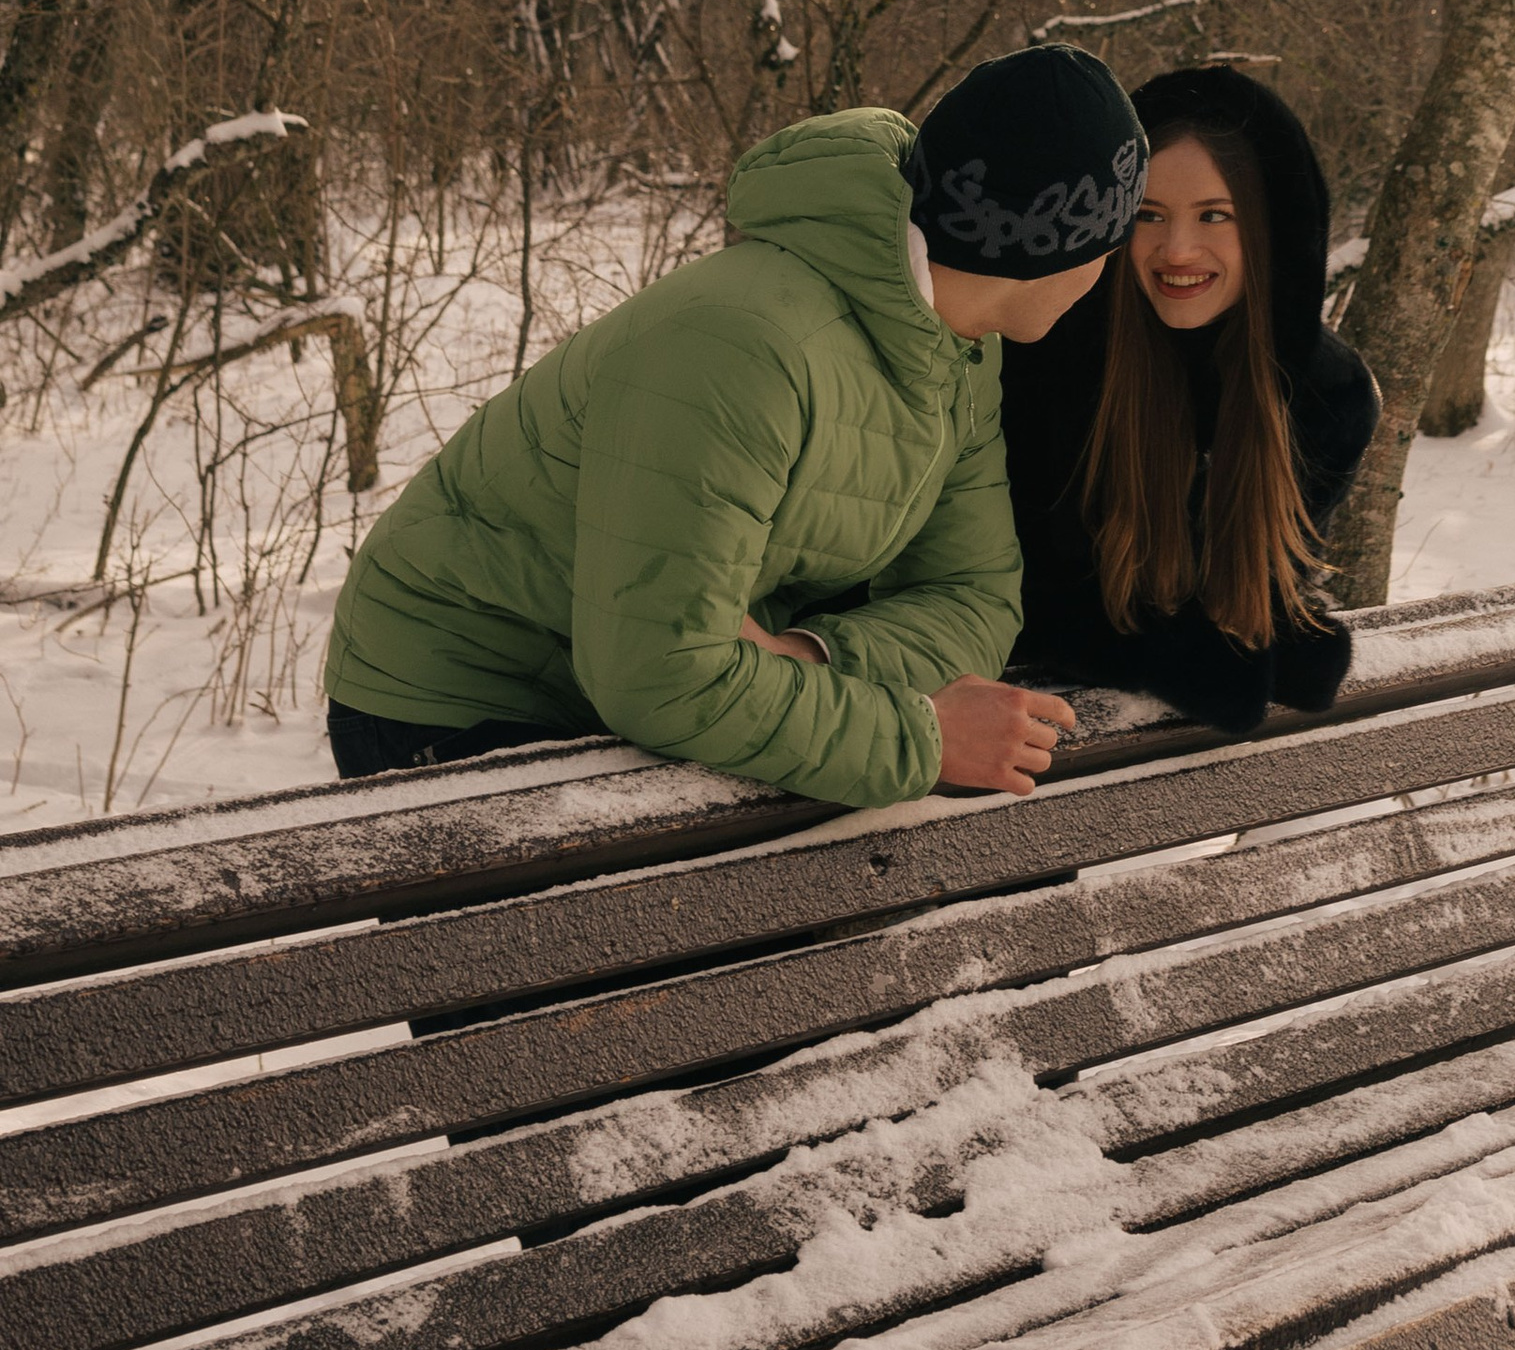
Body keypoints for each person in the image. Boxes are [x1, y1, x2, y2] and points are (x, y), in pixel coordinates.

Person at [323, 48, 1147, 804]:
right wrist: (920, 736)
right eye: (1116, 238)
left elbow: (975, 596)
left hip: (642, 689)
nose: (1111, 271)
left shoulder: (956, 350)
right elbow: (663, 676)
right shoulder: (742, 344)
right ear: (1059, 245)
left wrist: (807, 658)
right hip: (463, 698)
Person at [999, 63, 1379, 728]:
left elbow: (1247, 594)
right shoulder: (1044, 365)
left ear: (1269, 230)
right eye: (1149, 214)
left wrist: (1280, 639)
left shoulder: (1326, 398)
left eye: (1214, 215)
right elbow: (1014, 589)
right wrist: (1164, 659)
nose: (1177, 249)